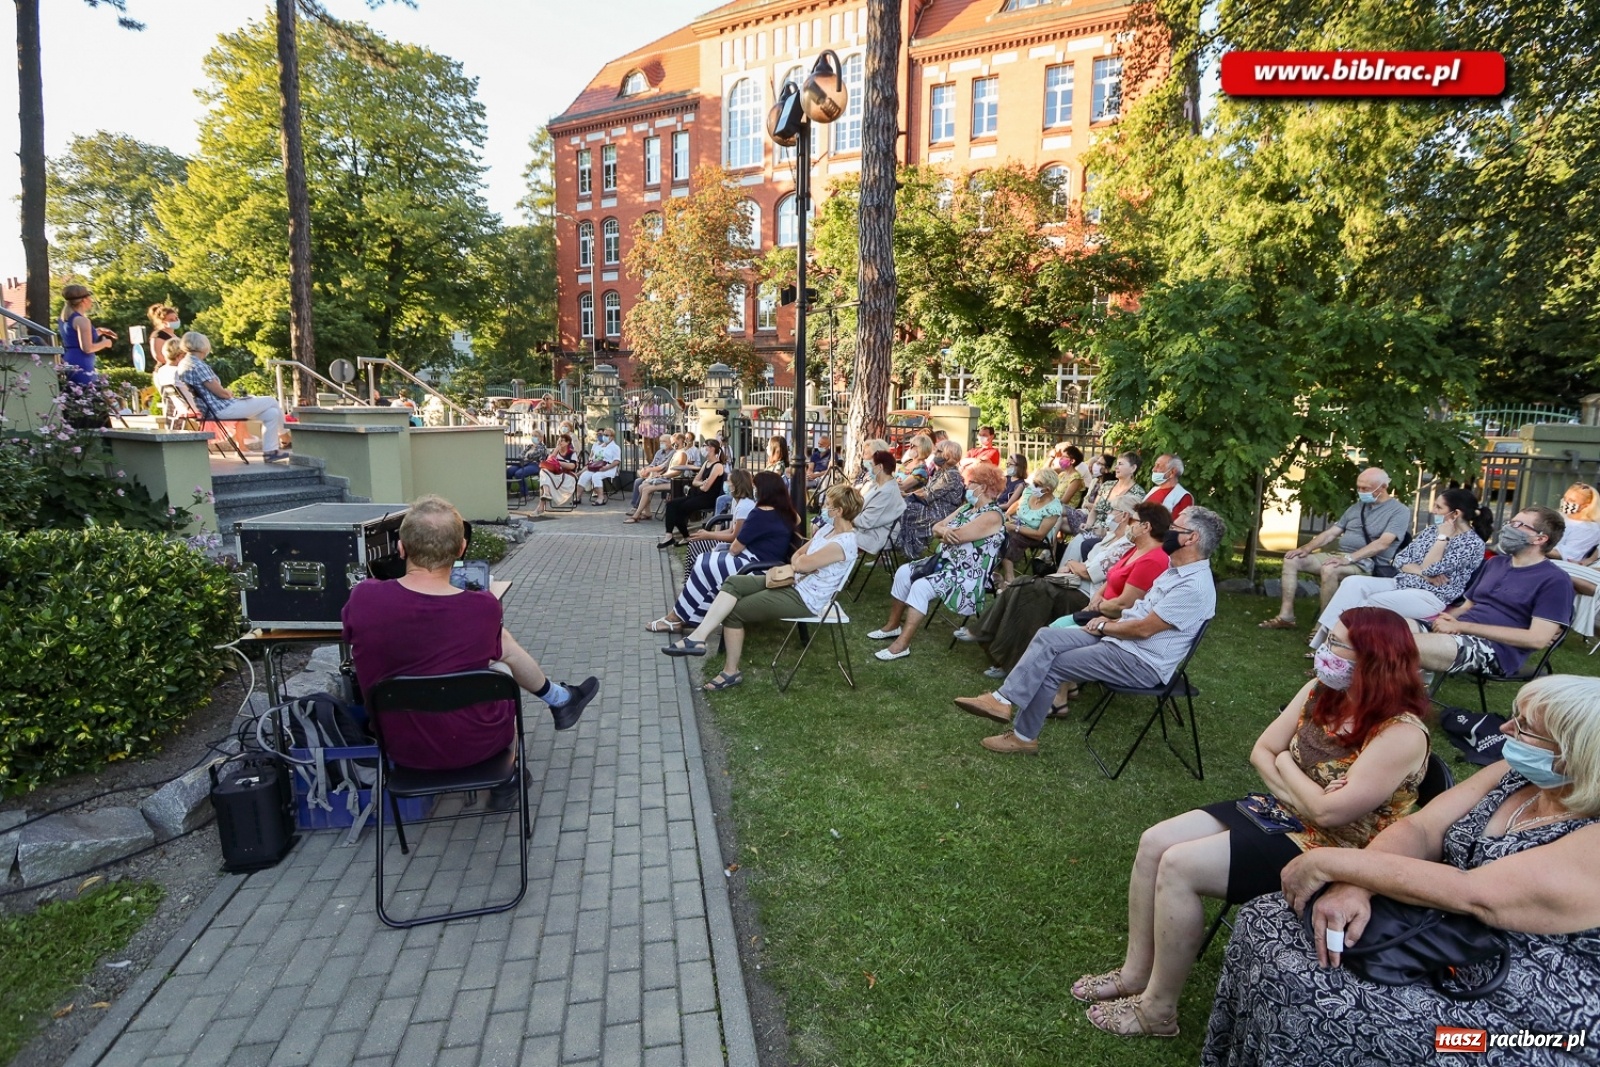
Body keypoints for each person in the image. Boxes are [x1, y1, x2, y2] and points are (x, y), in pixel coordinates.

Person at [1203, 673, 1600, 1066]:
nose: (1505, 728)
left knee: (1327, 996)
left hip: (1526, 1005)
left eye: (1526, 728)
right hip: (1439, 931)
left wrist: (1334, 862)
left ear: (1574, 753)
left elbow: (1478, 894)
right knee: (1266, 919)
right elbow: (1422, 828)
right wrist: (1353, 886)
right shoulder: (1515, 776)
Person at [1072, 606, 1432, 1038]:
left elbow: (1329, 814)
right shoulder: (1323, 690)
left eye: (1336, 644)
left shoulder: (1400, 733)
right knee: (1154, 843)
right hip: (1283, 814)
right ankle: (1134, 973)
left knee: (1179, 866)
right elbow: (1262, 750)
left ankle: (1158, 1010)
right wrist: (1293, 779)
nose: (1322, 650)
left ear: (1375, 660)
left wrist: (1286, 765)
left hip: (1332, 851)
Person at [342, 495, 598, 807]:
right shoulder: (482, 606)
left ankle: (560, 700)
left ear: (401, 547)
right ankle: (513, 769)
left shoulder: (364, 599)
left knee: (491, 656)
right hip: (480, 745)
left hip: (400, 749)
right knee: (501, 666)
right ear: (462, 549)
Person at [955, 507, 1225, 754]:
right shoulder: (1175, 569)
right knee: (1048, 637)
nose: (1168, 532)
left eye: (1175, 528)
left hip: (1140, 660)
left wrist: (1107, 626)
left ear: (1191, 539)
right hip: (1120, 638)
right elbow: (1139, 615)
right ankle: (1001, 699)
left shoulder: (1194, 587)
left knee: (1053, 664)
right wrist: (1108, 626)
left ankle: (1023, 737)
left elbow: (1144, 630)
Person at [661, 483, 863, 691]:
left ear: (838, 511)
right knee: (733, 582)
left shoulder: (843, 543)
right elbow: (798, 557)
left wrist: (801, 563)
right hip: (793, 581)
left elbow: (802, 562)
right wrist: (801, 563)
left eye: (828, 505)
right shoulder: (828, 530)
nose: (823, 508)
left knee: (735, 611)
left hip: (804, 598)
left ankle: (731, 672)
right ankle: (698, 638)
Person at [968, 498, 1146, 677]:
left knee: (1031, 592)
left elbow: (1090, 573)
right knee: (1021, 583)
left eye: (1111, 511)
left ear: (1124, 516)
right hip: (1074, 583)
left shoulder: (1126, 545)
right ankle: (989, 637)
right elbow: (1086, 568)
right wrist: (1077, 567)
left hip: (1086, 595)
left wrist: (1071, 563)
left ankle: (1006, 658)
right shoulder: (1110, 537)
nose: (1107, 515)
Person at [1308, 487, 1492, 647]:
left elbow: (1431, 568)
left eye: (1439, 507)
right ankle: (1325, 645)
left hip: (1430, 597)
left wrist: (1442, 539)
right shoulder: (1431, 531)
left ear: (1455, 514)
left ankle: (1345, 651)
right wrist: (1422, 573)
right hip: (1402, 583)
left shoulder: (1471, 543)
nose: (1433, 510)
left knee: (1370, 602)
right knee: (1352, 583)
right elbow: (1399, 559)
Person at [1411, 505, 1573, 677]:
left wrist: (1461, 626)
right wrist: (1449, 617)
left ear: (1539, 539)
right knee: (1387, 629)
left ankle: (1406, 693)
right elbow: (1466, 607)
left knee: (1398, 645)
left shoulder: (1556, 580)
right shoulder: (1495, 563)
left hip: (1495, 651)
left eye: (1518, 525)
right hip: (1458, 631)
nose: (1508, 528)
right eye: (1510, 522)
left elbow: (1537, 639)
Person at [869, 462, 1007, 661]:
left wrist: (947, 532)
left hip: (967, 573)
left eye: (970, 483)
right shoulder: (967, 508)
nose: (966, 487)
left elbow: (958, 537)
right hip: (944, 562)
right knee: (903, 572)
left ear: (983, 487)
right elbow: (937, 526)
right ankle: (893, 626)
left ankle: (902, 644)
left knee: (921, 587)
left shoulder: (992, 515)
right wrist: (944, 531)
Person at [1260, 468, 1410, 629]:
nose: (1360, 492)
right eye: (1358, 487)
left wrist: (1348, 559)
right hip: (1339, 556)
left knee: (1330, 569)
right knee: (1292, 559)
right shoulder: (1356, 508)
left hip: (1366, 563)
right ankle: (1286, 616)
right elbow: (1331, 533)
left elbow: (1383, 543)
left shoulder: (1399, 511)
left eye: (1365, 488)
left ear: (1382, 487)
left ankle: (1324, 627)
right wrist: (1306, 548)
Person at [651, 471, 800, 632]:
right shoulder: (785, 511)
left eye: (756, 487)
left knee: (704, 565)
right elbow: (797, 520)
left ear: (764, 490)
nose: (754, 490)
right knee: (704, 563)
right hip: (763, 564)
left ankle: (677, 617)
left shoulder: (760, 513)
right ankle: (687, 618)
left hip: (754, 566)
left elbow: (735, 548)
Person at [176, 331, 290, 461]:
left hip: (211, 410)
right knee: (271, 400)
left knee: (272, 413)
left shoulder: (184, 363)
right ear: (203, 346)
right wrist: (228, 393)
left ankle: (270, 452)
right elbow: (220, 393)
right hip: (222, 409)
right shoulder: (198, 365)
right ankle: (285, 437)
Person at [1065, 451, 1143, 561]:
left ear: (1133, 468)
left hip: (1112, 536)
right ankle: (1065, 574)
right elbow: (1095, 509)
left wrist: (1106, 530)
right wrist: (1088, 525)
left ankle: (1072, 573)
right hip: (1094, 529)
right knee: (1076, 542)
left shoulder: (1137, 493)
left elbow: (1130, 523)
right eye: (1116, 464)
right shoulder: (1107, 485)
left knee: (1081, 543)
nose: (1116, 467)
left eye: (1120, 464)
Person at [896, 440, 967, 559]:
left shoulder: (951, 475)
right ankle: (904, 548)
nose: (935, 454)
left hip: (942, 513)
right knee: (903, 507)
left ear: (948, 455)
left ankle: (907, 550)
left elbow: (928, 494)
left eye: (939, 451)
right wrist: (907, 495)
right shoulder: (941, 472)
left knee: (904, 508)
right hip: (932, 507)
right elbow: (925, 490)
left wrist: (906, 495)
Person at [998, 467, 1067, 588]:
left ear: (1048, 489)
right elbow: (1019, 503)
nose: (1032, 485)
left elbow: (1040, 534)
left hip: (1036, 535)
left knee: (1009, 538)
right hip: (1018, 524)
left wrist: (1015, 528)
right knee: (995, 527)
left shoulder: (1053, 508)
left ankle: (1009, 579)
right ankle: (992, 568)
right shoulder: (1030, 490)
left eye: (1037, 484)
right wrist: (1008, 514)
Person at [833, 447, 905, 558]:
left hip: (873, 535)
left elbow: (866, 522)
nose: (869, 469)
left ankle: (821, 567)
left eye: (871, 465)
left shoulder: (887, 492)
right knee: (824, 526)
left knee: (828, 531)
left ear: (880, 467)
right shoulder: (879, 485)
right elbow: (861, 507)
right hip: (866, 530)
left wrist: (845, 517)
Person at [661, 441, 726, 548]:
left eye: (705, 446)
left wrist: (702, 484)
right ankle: (669, 535)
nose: (703, 449)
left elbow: (706, 488)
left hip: (709, 498)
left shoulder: (717, 466)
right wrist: (702, 483)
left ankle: (686, 537)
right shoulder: (706, 463)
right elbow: (695, 481)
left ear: (712, 448)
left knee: (680, 509)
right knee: (671, 504)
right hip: (698, 495)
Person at [684, 468, 757, 562]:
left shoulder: (745, 507)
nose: (726, 484)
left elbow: (734, 537)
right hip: (734, 543)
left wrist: (709, 535)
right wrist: (707, 534)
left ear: (735, 485)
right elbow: (731, 530)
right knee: (694, 544)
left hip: (740, 548)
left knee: (696, 546)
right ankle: (694, 574)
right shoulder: (736, 501)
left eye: (728, 481)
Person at [57, 283, 116, 386]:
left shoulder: (64, 318)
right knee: (88, 395)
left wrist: (97, 331)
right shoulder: (82, 320)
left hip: (69, 359)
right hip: (82, 363)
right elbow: (87, 348)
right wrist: (106, 343)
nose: (91, 300)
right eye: (90, 297)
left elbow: (73, 337)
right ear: (84, 300)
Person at [626, 438, 677, 515]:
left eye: (664, 441)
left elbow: (663, 467)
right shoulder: (659, 452)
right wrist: (645, 469)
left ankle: (638, 508)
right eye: (660, 442)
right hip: (653, 474)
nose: (661, 443)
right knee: (638, 481)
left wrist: (650, 470)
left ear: (670, 443)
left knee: (643, 485)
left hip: (663, 476)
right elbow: (652, 464)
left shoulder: (673, 453)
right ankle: (635, 507)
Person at [533, 433, 579, 516]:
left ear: (568, 442)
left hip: (567, 476)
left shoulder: (572, 453)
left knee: (545, 478)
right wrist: (555, 451)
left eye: (562, 441)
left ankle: (541, 506)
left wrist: (558, 463)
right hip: (555, 474)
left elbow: (572, 466)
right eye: (559, 440)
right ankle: (546, 494)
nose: (559, 442)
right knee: (543, 471)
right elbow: (549, 462)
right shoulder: (555, 452)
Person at [1553, 482, 1600, 563]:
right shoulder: (1558, 516)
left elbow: (1569, 555)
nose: (1566, 502)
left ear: (1586, 505)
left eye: (1572, 500)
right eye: (1565, 498)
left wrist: (1536, 547)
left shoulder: (1589, 528)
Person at [577, 425, 621, 505]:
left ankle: (601, 498)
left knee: (596, 476)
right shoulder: (599, 446)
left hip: (609, 467)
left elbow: (617, 461)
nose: (604, 437)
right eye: (604, 434)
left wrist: (606, 468)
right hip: (597, 466)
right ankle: (578, 497)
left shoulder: (615, 447)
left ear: (612, 437)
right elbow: (594, 458)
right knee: (584, 475)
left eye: (607, 435)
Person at [1145, 454, 1194, 523]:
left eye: (1158, 466)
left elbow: (1179, 527)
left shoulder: (1183, 497)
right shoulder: (1154, 490)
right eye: (1155, 465)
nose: (1153, 469)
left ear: (1172, 472)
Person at [506, 432, 549, 504]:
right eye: (532, 436)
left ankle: (525, 495)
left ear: (541, 438)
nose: (533, 437)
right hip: (524, 463)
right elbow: (521, 455)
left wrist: (526, 456)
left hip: (535, 464)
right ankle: (507, 491)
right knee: (509, 471)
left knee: (519, 473)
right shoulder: (529, 446)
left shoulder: (542, 447)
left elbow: (533, 455)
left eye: (536, 436)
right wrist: (525, 457)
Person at [146, 304, 181, 375]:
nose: (175, 321)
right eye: (171, 319)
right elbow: (158, 356)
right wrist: (174, 363)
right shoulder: (158, 335)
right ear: (163, 321)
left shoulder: (175, 336)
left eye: (176, 318)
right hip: (165, 371)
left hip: (177, 369)